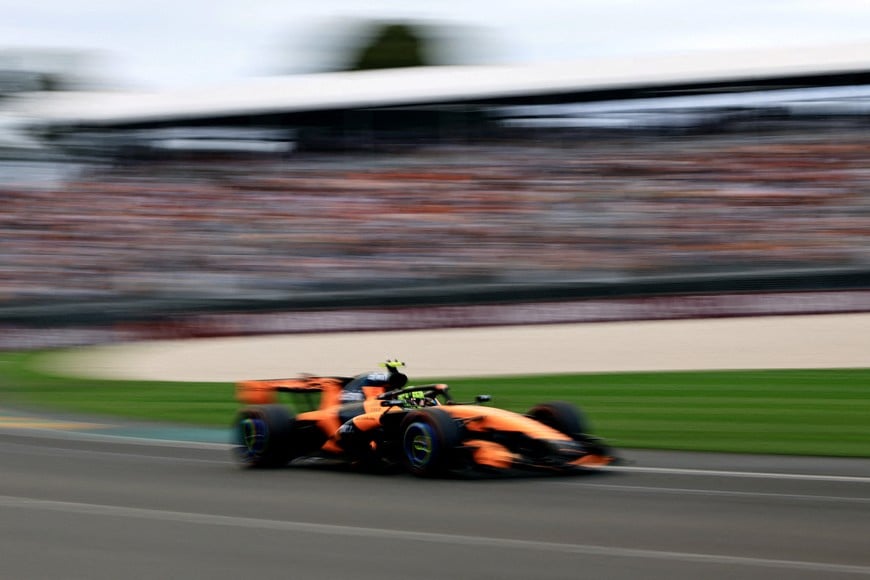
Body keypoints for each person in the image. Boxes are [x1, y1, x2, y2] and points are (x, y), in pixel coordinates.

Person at [339, 359, 408, 403]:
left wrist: (393, 372)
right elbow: (396, 379)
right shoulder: (367, 380)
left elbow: (394, 380)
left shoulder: (366, 381)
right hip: (353, 405)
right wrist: (394, 373)